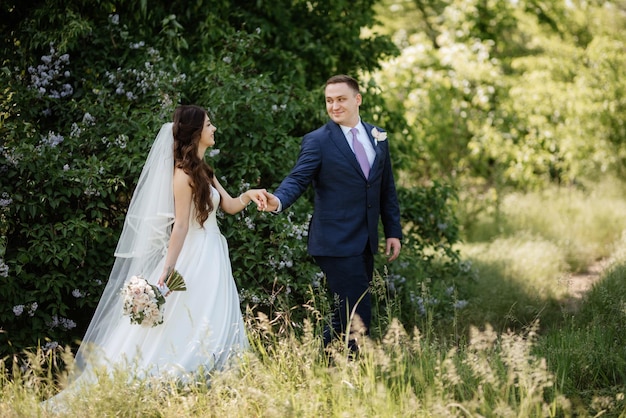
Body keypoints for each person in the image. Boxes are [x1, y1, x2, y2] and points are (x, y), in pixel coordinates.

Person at [45, 105, 266, 407]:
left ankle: (215, 382)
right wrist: (168, 270)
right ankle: (165, 379)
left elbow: (227, 205)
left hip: (214, 253)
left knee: (211, 314)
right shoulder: (182, 175)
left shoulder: (204, 170)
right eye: (209, 124)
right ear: (196, 132)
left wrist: (249, 195)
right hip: (195, 255)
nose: (214, 129)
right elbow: (180, 227)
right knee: (186, 318)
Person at [264, 75, 402, 352]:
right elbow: (298, 178)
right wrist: (277, 200)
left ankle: (326, 364)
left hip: (365, 241)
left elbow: (386, 189)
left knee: (344, 310)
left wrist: (393, 232)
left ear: (357, 99)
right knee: (358, 309)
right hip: (334, 241)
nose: (334, 106)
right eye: (329, 100)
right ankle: (353, 367)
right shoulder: (318, 141)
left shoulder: (378, 137)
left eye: (341, 99)